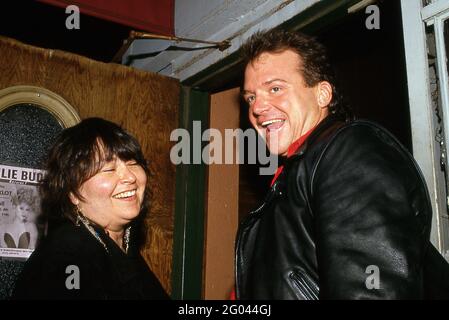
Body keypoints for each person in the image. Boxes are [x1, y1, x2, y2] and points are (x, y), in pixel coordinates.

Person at [236, 28, 449, 299]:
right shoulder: (295, 174)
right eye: (251, 97)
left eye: (275, 88)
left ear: (322, 94)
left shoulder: (348, 152)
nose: (257, 108)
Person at [11, 117, 169, 300]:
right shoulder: (68, 256)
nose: (130, 177)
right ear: (72, 191)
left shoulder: (123, 245)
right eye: (109, 169)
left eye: (132, 163)